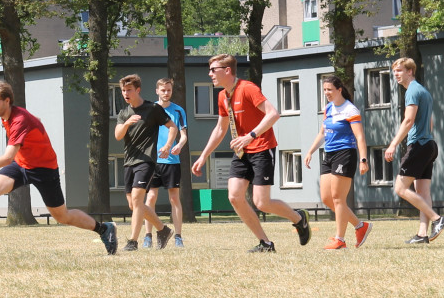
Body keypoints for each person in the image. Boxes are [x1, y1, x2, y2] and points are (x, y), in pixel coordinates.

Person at [0, 81, 119, 256]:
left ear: (7, 101)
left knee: (62, 216)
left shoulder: (19, 120)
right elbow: (34, 123)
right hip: (21, 164)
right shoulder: (8, 117)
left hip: (44, 169)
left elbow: (7, 157)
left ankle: (104, 228)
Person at [190, 54, 311, 252]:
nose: (209, 73)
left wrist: (251, 136)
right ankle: (266, 243)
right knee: (235, 197)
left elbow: (273, 114)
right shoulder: (223, 96)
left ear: (227, 70)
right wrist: (203, 156)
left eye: (213, 69)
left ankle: (299, 218)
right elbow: (220, 129)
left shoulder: (247, 88)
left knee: (261, 202)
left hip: (262, 147)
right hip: (241, 152)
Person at [305, 76, 370, 250]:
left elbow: (360, 137)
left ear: (339, 90)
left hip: (345, 153)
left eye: (330, 90)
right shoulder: (328, 108)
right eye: (324, 90)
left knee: (338, 198)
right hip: (329, 154)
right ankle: (360, 226)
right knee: (327, 198)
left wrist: (363, 159)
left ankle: (340, 239)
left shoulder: (350, 109)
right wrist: (310, 151)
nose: (326, 93)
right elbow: (322, 133)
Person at [115, 75, 178, 251]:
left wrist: (167, 145)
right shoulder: (123, 113)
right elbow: (118, 135)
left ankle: (133, 242)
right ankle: (163, 229)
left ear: (137, 90)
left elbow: (172, 127)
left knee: (137, 200)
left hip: (147, 161)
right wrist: (127, 123)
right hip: (129, 162)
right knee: (135, 204)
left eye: (129, 90)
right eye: (123, 90)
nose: (125, 93)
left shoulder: (152, 109)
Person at [384, 58, 443, 244]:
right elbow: (431, 122)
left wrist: (393, 144)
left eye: (400, 71)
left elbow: (408, 121)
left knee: (400, 188)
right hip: (429, 145)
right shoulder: (424, 91)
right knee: (422, 192)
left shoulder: (412, 91)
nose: (396, 74)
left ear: (410, 71)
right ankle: (422, 234)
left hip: (419, 146)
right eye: (394, 71)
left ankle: (438, 219)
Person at [144, 77, 189, 248]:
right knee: (151, 196)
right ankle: (148, 235)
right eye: (163, 90)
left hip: (172, 161)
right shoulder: (150, 110)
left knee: (174, 198)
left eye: (169, 90)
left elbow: (183, 135)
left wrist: (179, 145)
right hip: (152, 161)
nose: (166, 93)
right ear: (157, 91)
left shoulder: (178, 111)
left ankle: (178, 236)